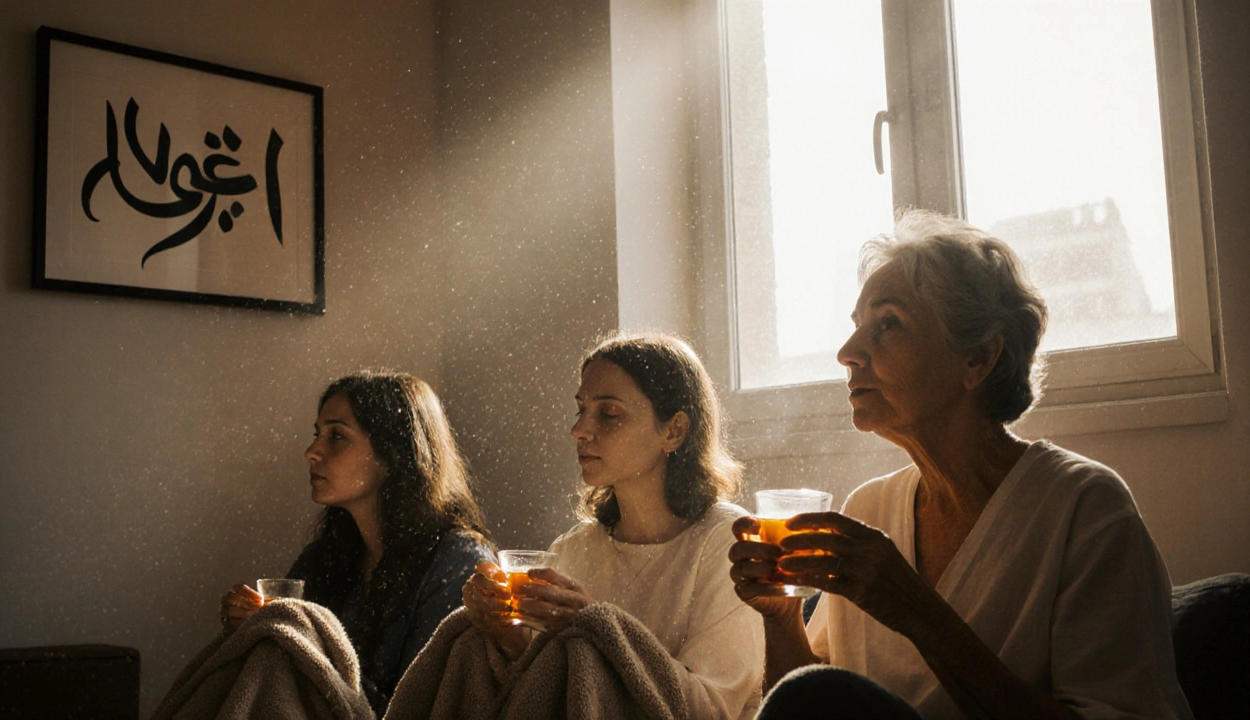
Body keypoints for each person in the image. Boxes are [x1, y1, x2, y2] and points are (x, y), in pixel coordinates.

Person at [729, 210, 1194, 719]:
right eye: (858, 326)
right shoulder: (870, 508)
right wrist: (780, 617)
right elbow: (816, 704)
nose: (847, 352)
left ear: (978, 359)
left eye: (888, 325)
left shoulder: (1084, 509)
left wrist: (913, 607)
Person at [460, 332, 765, 719]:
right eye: (580, 410)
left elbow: (710, 710)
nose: (580, 430)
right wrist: (507, 635)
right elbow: (546, 693)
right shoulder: (574, 549)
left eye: (609, 413)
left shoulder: (728, 541)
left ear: (674, 431)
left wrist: (597, 626)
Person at [220, 370, 495, 716]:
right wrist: (253, 630)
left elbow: (418, 706)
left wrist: (298, 640)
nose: (311, 452)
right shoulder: (323, 559)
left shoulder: (457, 563)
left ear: (394, 454)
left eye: (337, 436)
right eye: (317, 434)